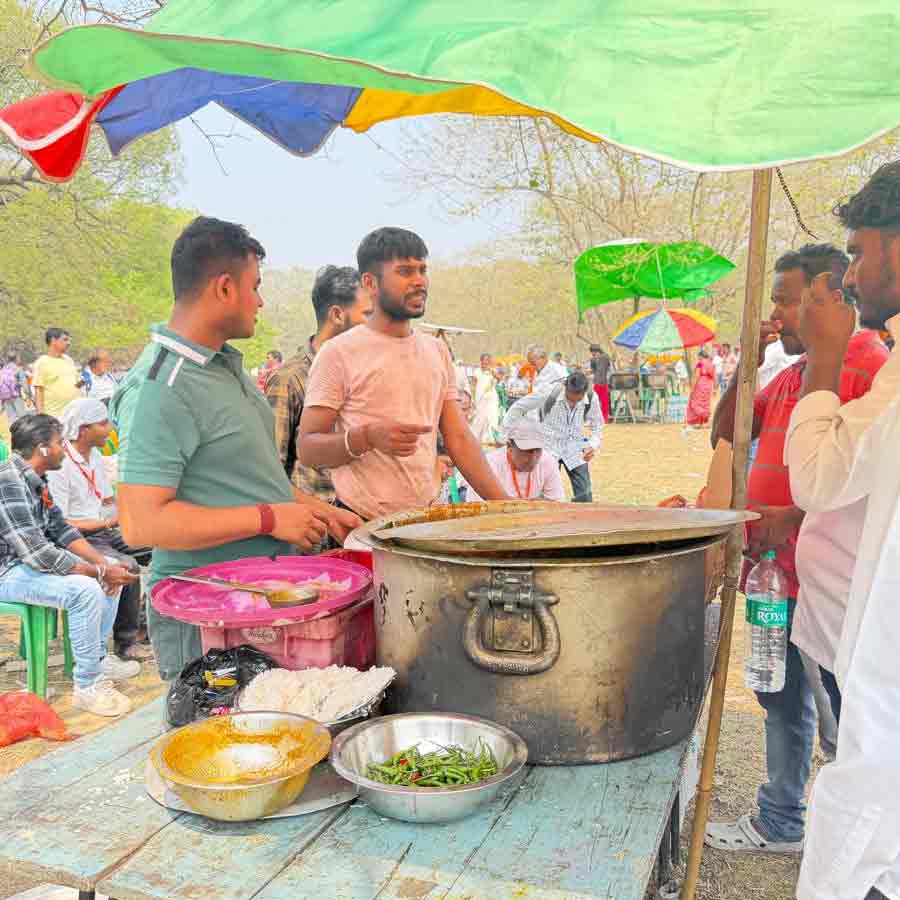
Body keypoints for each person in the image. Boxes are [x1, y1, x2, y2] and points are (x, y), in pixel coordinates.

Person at [110, 217, 361, 683]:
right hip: (209, 616)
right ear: (224, 288)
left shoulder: (224, 366)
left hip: (263, 604)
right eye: (256, 286)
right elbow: (141, 521)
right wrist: (270, 518)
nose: (261, 301)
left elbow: (243, 479)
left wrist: (316, 510)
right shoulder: (160, 387)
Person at [706, 243, 888, 856]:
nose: (776, 315)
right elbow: (727, 432)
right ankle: (783, 817)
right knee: (780, 698)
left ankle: (857, 842)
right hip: (773, 578)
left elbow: (856, 478)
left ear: (829, 296)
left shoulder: (866, 365)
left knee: (849, 715)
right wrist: (744, 365)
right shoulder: (791, 375)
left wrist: (793, 516)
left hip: (835, 592)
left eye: (786, 300)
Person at [784, 163, 900, 900]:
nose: (853, 276)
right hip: (841, 615)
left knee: (867, 790)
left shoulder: (874, 366)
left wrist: (824, 356)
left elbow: (821, 480)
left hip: (886, 657)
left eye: (858, 253)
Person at [298, 227, 508, 521]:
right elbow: (308, 448)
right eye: (405, 271)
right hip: (361, 523)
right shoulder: (338, 353)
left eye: (423, 270)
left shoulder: (436, 350)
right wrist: (366, 437)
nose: (419, 281)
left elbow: (459, 439)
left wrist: (507, 507)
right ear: (370, 283)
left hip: (424, 520)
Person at [0, 414, 139, 715]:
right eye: (60, 443)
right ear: (43, 449)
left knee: (112, 569)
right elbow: (38, 553)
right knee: (85, 589)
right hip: (7, 571)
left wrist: (105, 565)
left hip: (27, 564)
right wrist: (99, 571)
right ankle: (87, 685)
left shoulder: (35, 479)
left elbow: (62, 530)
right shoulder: (8, 482)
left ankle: (96, 660)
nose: (65, 448)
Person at [47, 399, 151, 663]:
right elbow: (62, 523)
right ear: (83, 429)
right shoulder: (61, 465)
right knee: (127, 566)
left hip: (105, 530)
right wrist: (108, 522)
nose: (109, 428)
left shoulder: (94, 457)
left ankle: (142, 621)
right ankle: (125, 642)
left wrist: (130, 514)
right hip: (80, 538)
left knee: (162, 544)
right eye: (103, 423)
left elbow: (106, 501)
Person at [266, 266, 373, 501]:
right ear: (336, 315)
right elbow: (270, 474)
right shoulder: (290, 379)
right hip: (320, 530)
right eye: (368, 315)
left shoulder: (368, 372)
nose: (376, 325)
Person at [503, 370, 602, 502]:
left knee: (585, 495)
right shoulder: (549, 393)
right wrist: (507, 432)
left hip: (576, 448)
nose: (573, 402)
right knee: (545, 494)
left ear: (584, 393)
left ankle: (581, 520)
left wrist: (592, 445)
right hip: (549, 447)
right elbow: (519, 407)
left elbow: (598, 425)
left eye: (577, 399)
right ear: (566, 387)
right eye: (569, 397)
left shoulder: (591, 398)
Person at [466, 419, 564, 502]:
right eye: (527, 451)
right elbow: (475, 505)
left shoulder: (548, 462)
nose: (534, 458)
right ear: (509, 446)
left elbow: (556, 504)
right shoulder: (489, 465)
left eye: (538, 450)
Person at [32, 327, 81, 417]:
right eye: (65, 340)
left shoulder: (68, 360)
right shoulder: (42, 362)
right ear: (53, 340)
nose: (68, 343)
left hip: (74, 414)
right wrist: (41, 416)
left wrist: (84, 381)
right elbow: (39, 390)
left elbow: (77, 384)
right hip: (54, 416)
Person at [471, 353, 502, 444]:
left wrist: (493, 373)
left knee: (492, 416)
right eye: (484, 360)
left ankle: (490, 438)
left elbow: (500, 379)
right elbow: (473, 385)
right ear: (481, 361)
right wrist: (472, 398)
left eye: (488, 361)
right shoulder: (476, 372)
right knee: (480, 417)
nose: (486, 362)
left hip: (491, 398)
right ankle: (476, 437)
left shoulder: (493, 371)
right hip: (480, 397)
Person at [685, 349, 716, 427]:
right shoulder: (711, 364)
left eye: (698, 357)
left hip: (700, 384)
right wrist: (714, 387)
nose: (698, 359)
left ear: (701, 356)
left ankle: (698, 422)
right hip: (708, 385)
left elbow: (697, 376)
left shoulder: (700, 363)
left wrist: (692, 388)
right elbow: (714, 377)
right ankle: (705, 422)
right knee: (705, 403)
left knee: (696, 402)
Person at [0, 353, 27, 424]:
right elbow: (25, 385)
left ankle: (14, 433)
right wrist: (30, 397)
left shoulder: (3, 370)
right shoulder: (18, 369)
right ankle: (24, 434)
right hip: (16, 396)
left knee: (12, 418)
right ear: (16, 358)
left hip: (6, 397)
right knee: (22, 417)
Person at [589, 344, 612, 421]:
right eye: (592, 353)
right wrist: (587, 371)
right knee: (593, 401)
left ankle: (605, 418)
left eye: (595, 352)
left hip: (604, 383)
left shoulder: (605, 357)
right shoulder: (592, 360)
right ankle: (593, 418)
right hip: (596, 382)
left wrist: (602, 353)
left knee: (605, 402)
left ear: (599, 352)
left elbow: (608, 359)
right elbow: (593, 370)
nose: (594, 354)